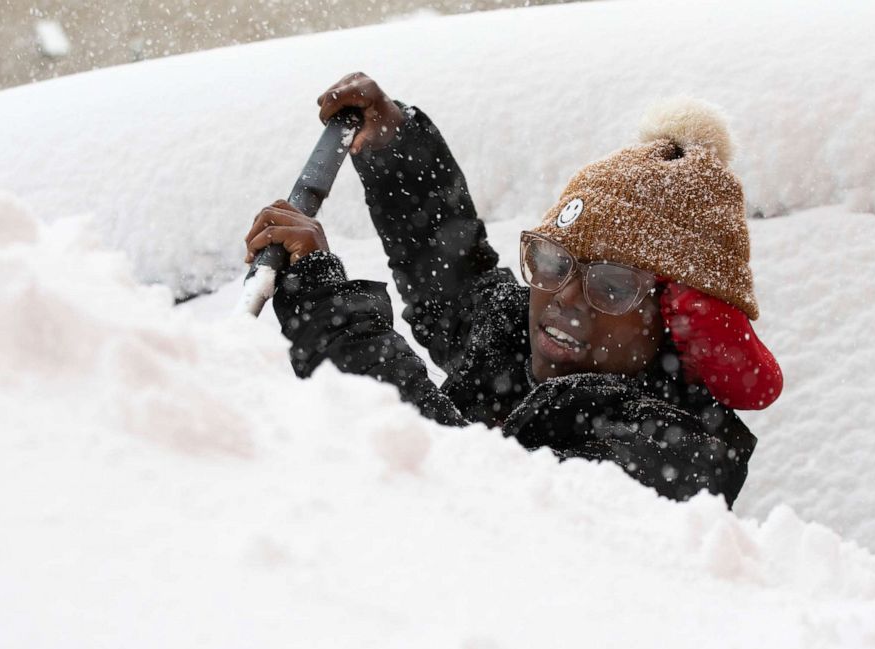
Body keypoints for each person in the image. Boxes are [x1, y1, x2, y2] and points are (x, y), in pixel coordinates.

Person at [244, 72, 783, 506]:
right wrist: (395, 150)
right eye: (552, 260)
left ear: (677, 323)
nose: (564, 298)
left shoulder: (673, 458)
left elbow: (467, 503)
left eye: (613, 285)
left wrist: (330, 309)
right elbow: (454, 279)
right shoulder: (518, 344)